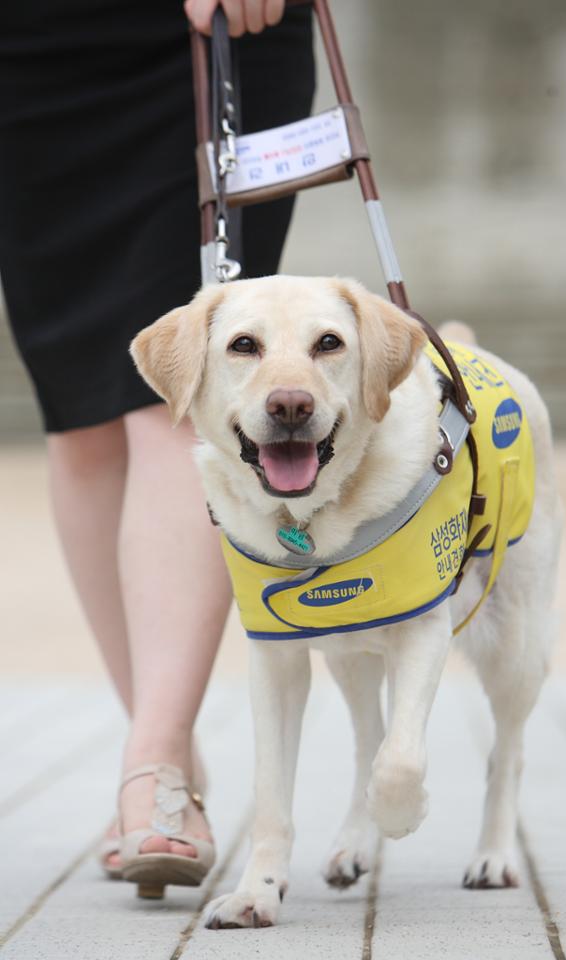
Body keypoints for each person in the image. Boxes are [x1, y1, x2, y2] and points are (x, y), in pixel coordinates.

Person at [0, 0, 314, 891]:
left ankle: (153, 763)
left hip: (206, 38)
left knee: (176, 396)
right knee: (82, 419)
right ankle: (164, 750)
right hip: (30, 53)